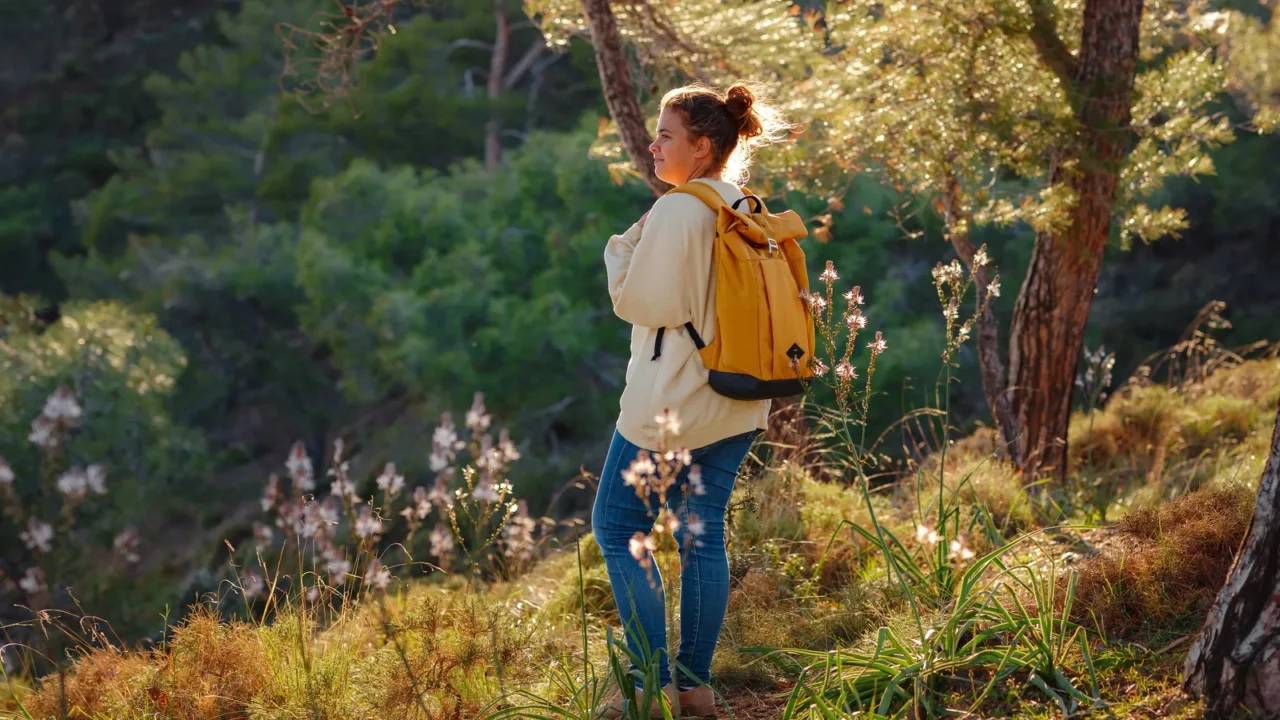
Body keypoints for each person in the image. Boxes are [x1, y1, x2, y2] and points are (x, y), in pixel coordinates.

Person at [592, 82, 790, 719]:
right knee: (702, 538)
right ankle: (694, 690)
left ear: (702, 147)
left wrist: (620, 247)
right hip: (736, 399)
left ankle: (650, 691)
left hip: (672, 406)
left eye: (667, 135)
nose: (654, 145)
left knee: (619, 527)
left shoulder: (680, 209)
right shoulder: (742, 201)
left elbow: (643, 303)